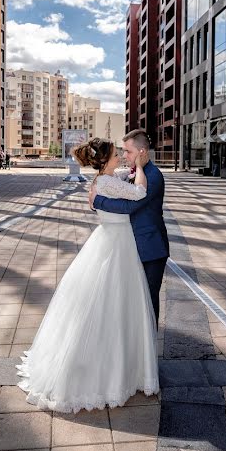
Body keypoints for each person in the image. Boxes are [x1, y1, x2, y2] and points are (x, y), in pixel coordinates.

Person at [17, 136, 159, 413]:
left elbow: (118, 183)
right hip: (117, 246)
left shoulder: (103, 181)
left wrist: (127, 172)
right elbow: (140, 193)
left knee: (104, 304)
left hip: (109, 241)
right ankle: (110, 374)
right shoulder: (107, 182)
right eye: (116, 154)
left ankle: (108, 369)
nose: (120, 157)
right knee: (113, 304)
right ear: (105, 160)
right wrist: (140, 168)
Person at [90, 130, 169, 323]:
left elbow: (131, 206)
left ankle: (148, 351)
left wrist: (98, 201)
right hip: (131, 247)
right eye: (122, 152)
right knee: (134, 303)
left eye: (128, 151)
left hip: (150, 249)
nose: (124, 156)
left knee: (148, 304)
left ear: (142, 152)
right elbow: (113, 189)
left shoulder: (153, 176)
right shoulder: (132, 173)